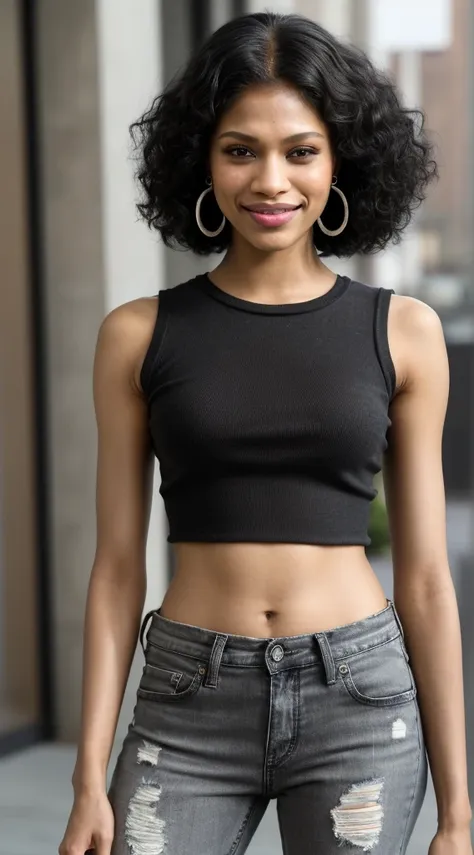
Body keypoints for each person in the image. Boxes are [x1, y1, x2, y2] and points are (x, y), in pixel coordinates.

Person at [58, 11, 472, 855]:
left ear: (340, 161)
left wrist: (460, 812)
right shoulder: (138, 335)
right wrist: (87, 775)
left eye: (301, 151)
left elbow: (427, 578)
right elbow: (116, 567)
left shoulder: (405, 333)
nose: (271, 181)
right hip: (187, 700)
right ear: (202, 162)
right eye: (240, 149)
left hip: (358, 702)